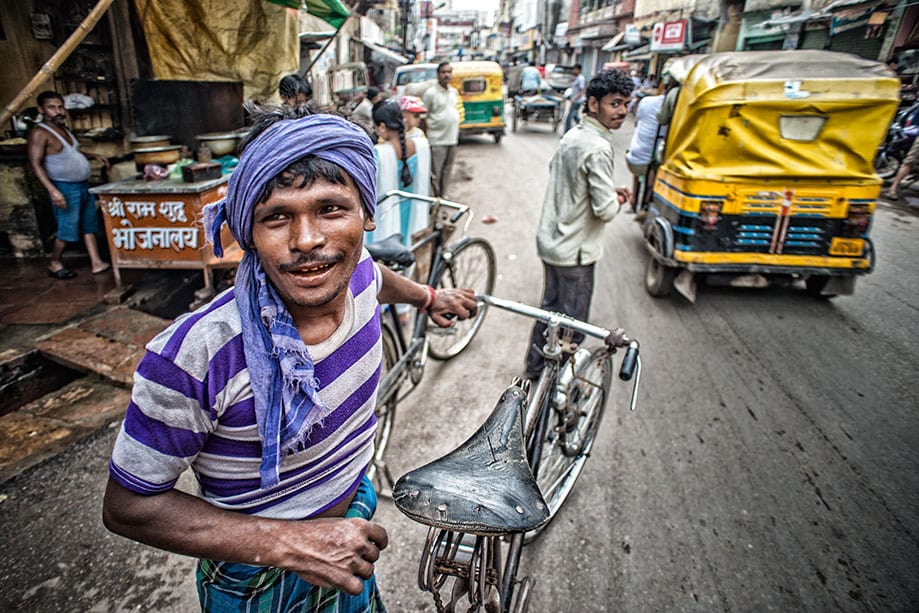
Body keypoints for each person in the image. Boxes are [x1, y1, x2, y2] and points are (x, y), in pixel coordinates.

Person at [101, 105, 478, 611]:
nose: (307, 241)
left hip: (352, 529)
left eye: (331, 209)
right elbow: (128, 506)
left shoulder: (359, 268)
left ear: (367, 214)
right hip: (255, 575)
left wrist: (429, 299)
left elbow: (378, 278)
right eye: (276, 217)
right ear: (247, 231)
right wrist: (293, 544)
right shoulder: (197, 355)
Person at [524, 70, 634, 380]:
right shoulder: (598, 147)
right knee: (572, 325)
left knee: (549, 311)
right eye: (615, 104)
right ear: (594, 103)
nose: (622, 111)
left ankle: (534, 370)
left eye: (626, 103)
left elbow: (574, 186)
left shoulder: (573, 136)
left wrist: (610, 191)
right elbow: (604, 211)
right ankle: (558, 386)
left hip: (553, 242)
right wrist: (618, 199)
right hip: (576, 253)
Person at [28, 90, 110, 279]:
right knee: (67, 228)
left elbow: (72, 153)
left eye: (60, 107)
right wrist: (53, 191)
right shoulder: (40, 133)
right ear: (41, 109)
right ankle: (54, 262)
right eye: (52, 108)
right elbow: (35, 164)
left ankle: (96, 262)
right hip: (64, 187)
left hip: (82, 185)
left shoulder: (64, 129)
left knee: (89, 225)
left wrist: (93, 156)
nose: (58, 111)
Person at [368, 99, 431, 245]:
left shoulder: (379, 154)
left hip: (386, 221)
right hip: (414, 216)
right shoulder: (422, 146)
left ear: (382, 127)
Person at [423, 62, 463, 197]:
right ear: (438, 74)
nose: (446, 75)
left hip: (452, 139)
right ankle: (435, 200)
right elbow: (423, 117)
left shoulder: (453, 92)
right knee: (435, 173)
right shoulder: (430, 93)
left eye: (449, 72)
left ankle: (443, 196)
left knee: (447, 171)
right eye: (443, 72)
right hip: (436, 140)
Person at [625, 93, 665, 213]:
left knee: (637, 176)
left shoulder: (646, 102)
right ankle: (644, 206)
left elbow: (637, 122)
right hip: (651, 152)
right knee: (651, 176)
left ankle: (634, 203)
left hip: (636, 152)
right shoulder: (670, 104)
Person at [563, 64, 587, 134]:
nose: (573, 71)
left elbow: (581, 91)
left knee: (569, 117)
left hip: (577, 100)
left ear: (578, 70)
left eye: (574, 69)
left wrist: (574, 99)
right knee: (575, 116)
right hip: (576, 100)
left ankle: (567, 133)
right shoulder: (577, 78)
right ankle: (584, 128)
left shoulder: (581, 78)